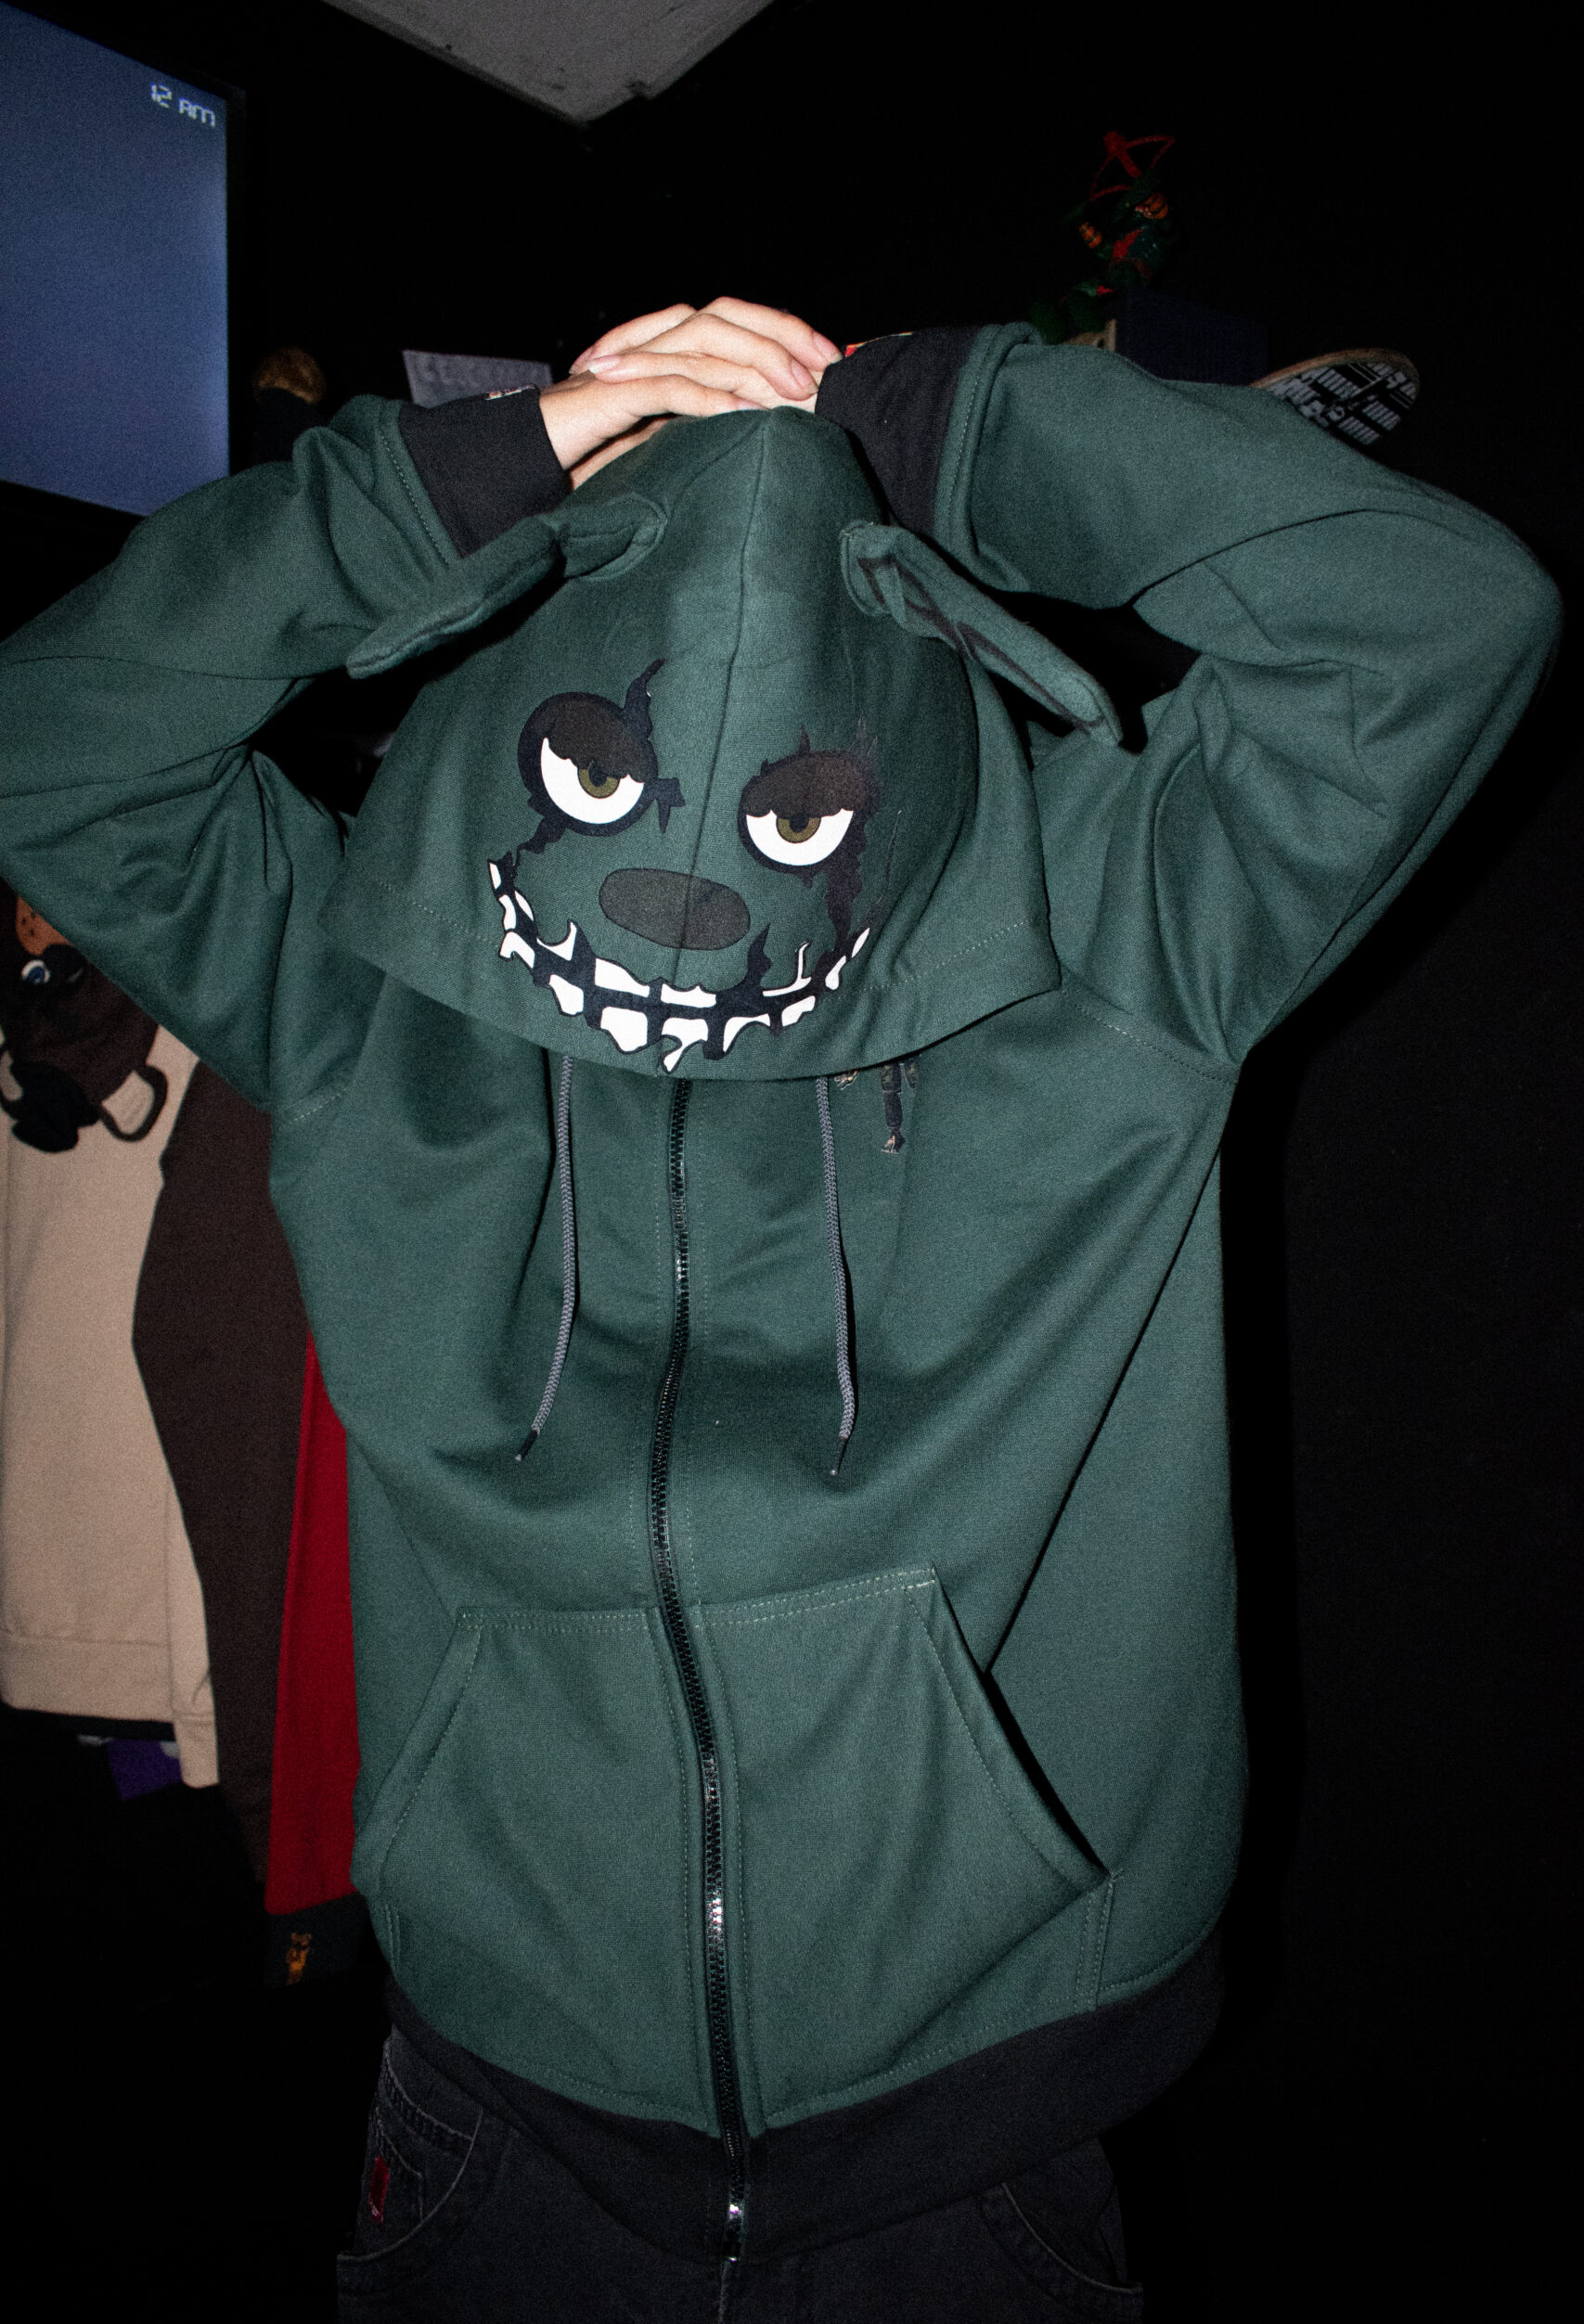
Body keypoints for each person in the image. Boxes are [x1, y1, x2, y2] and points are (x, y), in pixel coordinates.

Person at [0, 297, 1558, 2320]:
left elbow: (1434, 618)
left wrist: (955, 428)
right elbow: (52, 735)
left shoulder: (1109, 950)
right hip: (507, 2106)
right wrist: (478, 469)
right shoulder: (375, 991)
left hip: (973, 2133)